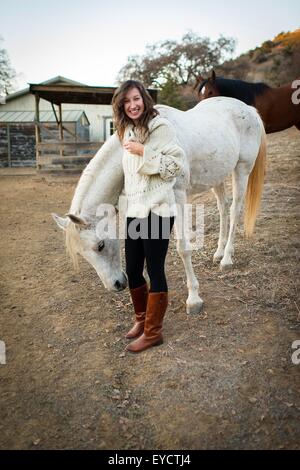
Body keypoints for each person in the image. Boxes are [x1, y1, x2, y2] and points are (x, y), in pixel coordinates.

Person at [112, 80, 185, 353]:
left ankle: (153, 332)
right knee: (132, 269)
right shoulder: (127, 130)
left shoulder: (161, 127)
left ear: (144, 98)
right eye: (126, 102)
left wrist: (145, 151)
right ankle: (141, 320)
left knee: (155, 270)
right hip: (134, 211)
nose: (132, 105)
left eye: (135, 99)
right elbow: (130, 175)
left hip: (157, 210)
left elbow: (175, 167)